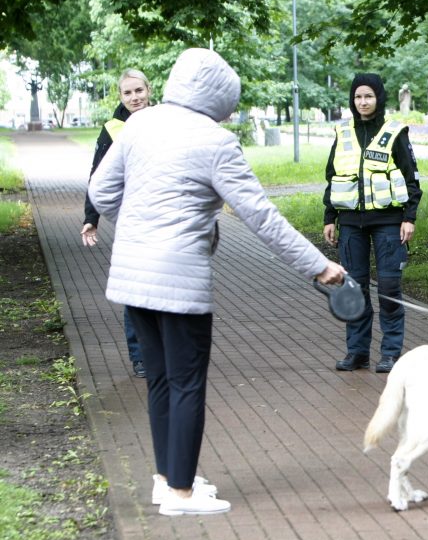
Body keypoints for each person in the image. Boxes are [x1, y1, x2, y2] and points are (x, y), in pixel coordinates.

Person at [88, 48, 345, 516]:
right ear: (219, 99)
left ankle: (166, 479)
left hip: (132, 276)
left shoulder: (140, 124)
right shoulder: (217, 142)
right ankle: (182, 495)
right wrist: (317, 265)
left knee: (161, 381)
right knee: (187, 383)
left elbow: (101, 192)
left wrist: (141, 222)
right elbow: (260, 217)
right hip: (180, 279)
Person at [323, 73, 423, 374]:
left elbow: (411, 178)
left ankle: (391, 353)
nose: (363, 102)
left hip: (389, 222)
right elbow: (332, 177)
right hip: (351, 222)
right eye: (357, 97)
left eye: (368, 96)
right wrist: (330, 218)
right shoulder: (343, 132)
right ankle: (357, 352)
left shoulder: (394, 132)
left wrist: (409, 217)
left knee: (389, 288)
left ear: (379, 98)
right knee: (355, 288)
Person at [81, 69, 153, 379]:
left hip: (164, 214)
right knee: (135, 286)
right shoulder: (113, 129)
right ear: (120, 97)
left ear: (148, 90)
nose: (135, 97)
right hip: (131, 216)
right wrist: (91, 218)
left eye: (139, 90)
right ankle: (140, 356)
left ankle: (164, 351)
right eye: (128, 93)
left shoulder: (164, 119)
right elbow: (97, 176)